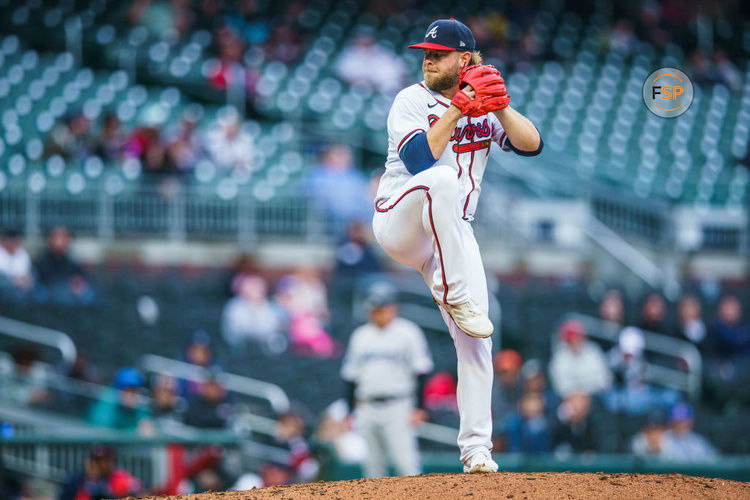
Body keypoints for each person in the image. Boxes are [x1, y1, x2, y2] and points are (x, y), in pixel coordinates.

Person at [371, 17, 542, 473]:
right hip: (402, 218)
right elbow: (419, 160)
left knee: (476, 339)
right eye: (426, 52)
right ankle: (452, 291)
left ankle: (476, 451)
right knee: (442, 178)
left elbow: (532, 144)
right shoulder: (411, 99)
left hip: (452, 231)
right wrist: (457, 108)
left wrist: (500, 107)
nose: (428, 58)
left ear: (464, 59)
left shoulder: (485, 106)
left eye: (439, 53)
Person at [341, 283, 434, 478]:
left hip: (399, 405)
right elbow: (350, 376)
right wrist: (349, 411)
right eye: (374, 307)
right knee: (372, 466)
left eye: (382, 307)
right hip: (367, 405)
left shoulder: (408, 332)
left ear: (394, 307)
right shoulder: (360, 336)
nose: (378, 311)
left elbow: (421, 371)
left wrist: (420, 407)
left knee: (406, 463)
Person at [549, 319, 612, 398]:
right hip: (569, 399)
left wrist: (586, 393)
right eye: (571, 340)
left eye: (578, 338)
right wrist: (575, 394)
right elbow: (559, 385)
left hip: (594, 397)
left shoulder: (593, 351)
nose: (575, 342)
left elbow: (604, 379)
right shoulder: (560, 357)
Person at [34, 226, 94, 304]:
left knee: (87, 294)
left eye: (64, 238)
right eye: (57, 238)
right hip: (48, 292)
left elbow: (79, 279)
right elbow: (39, 279)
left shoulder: (72, 262)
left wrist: (78, 284)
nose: (60, 241)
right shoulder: (42, 261)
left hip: (69, 292)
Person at [58, 445, 142, 499]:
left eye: (106, 460)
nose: (101, 464)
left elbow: (136, 489)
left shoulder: (119, 478)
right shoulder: (75, 479)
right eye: (97, 460)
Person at [0, 229, 33, 299]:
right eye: (12, 240)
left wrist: (27, 281)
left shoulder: (22, 254)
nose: (14, 243)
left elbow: (28, 274)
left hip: (22, 288)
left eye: (16, 241)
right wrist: (13, 282)